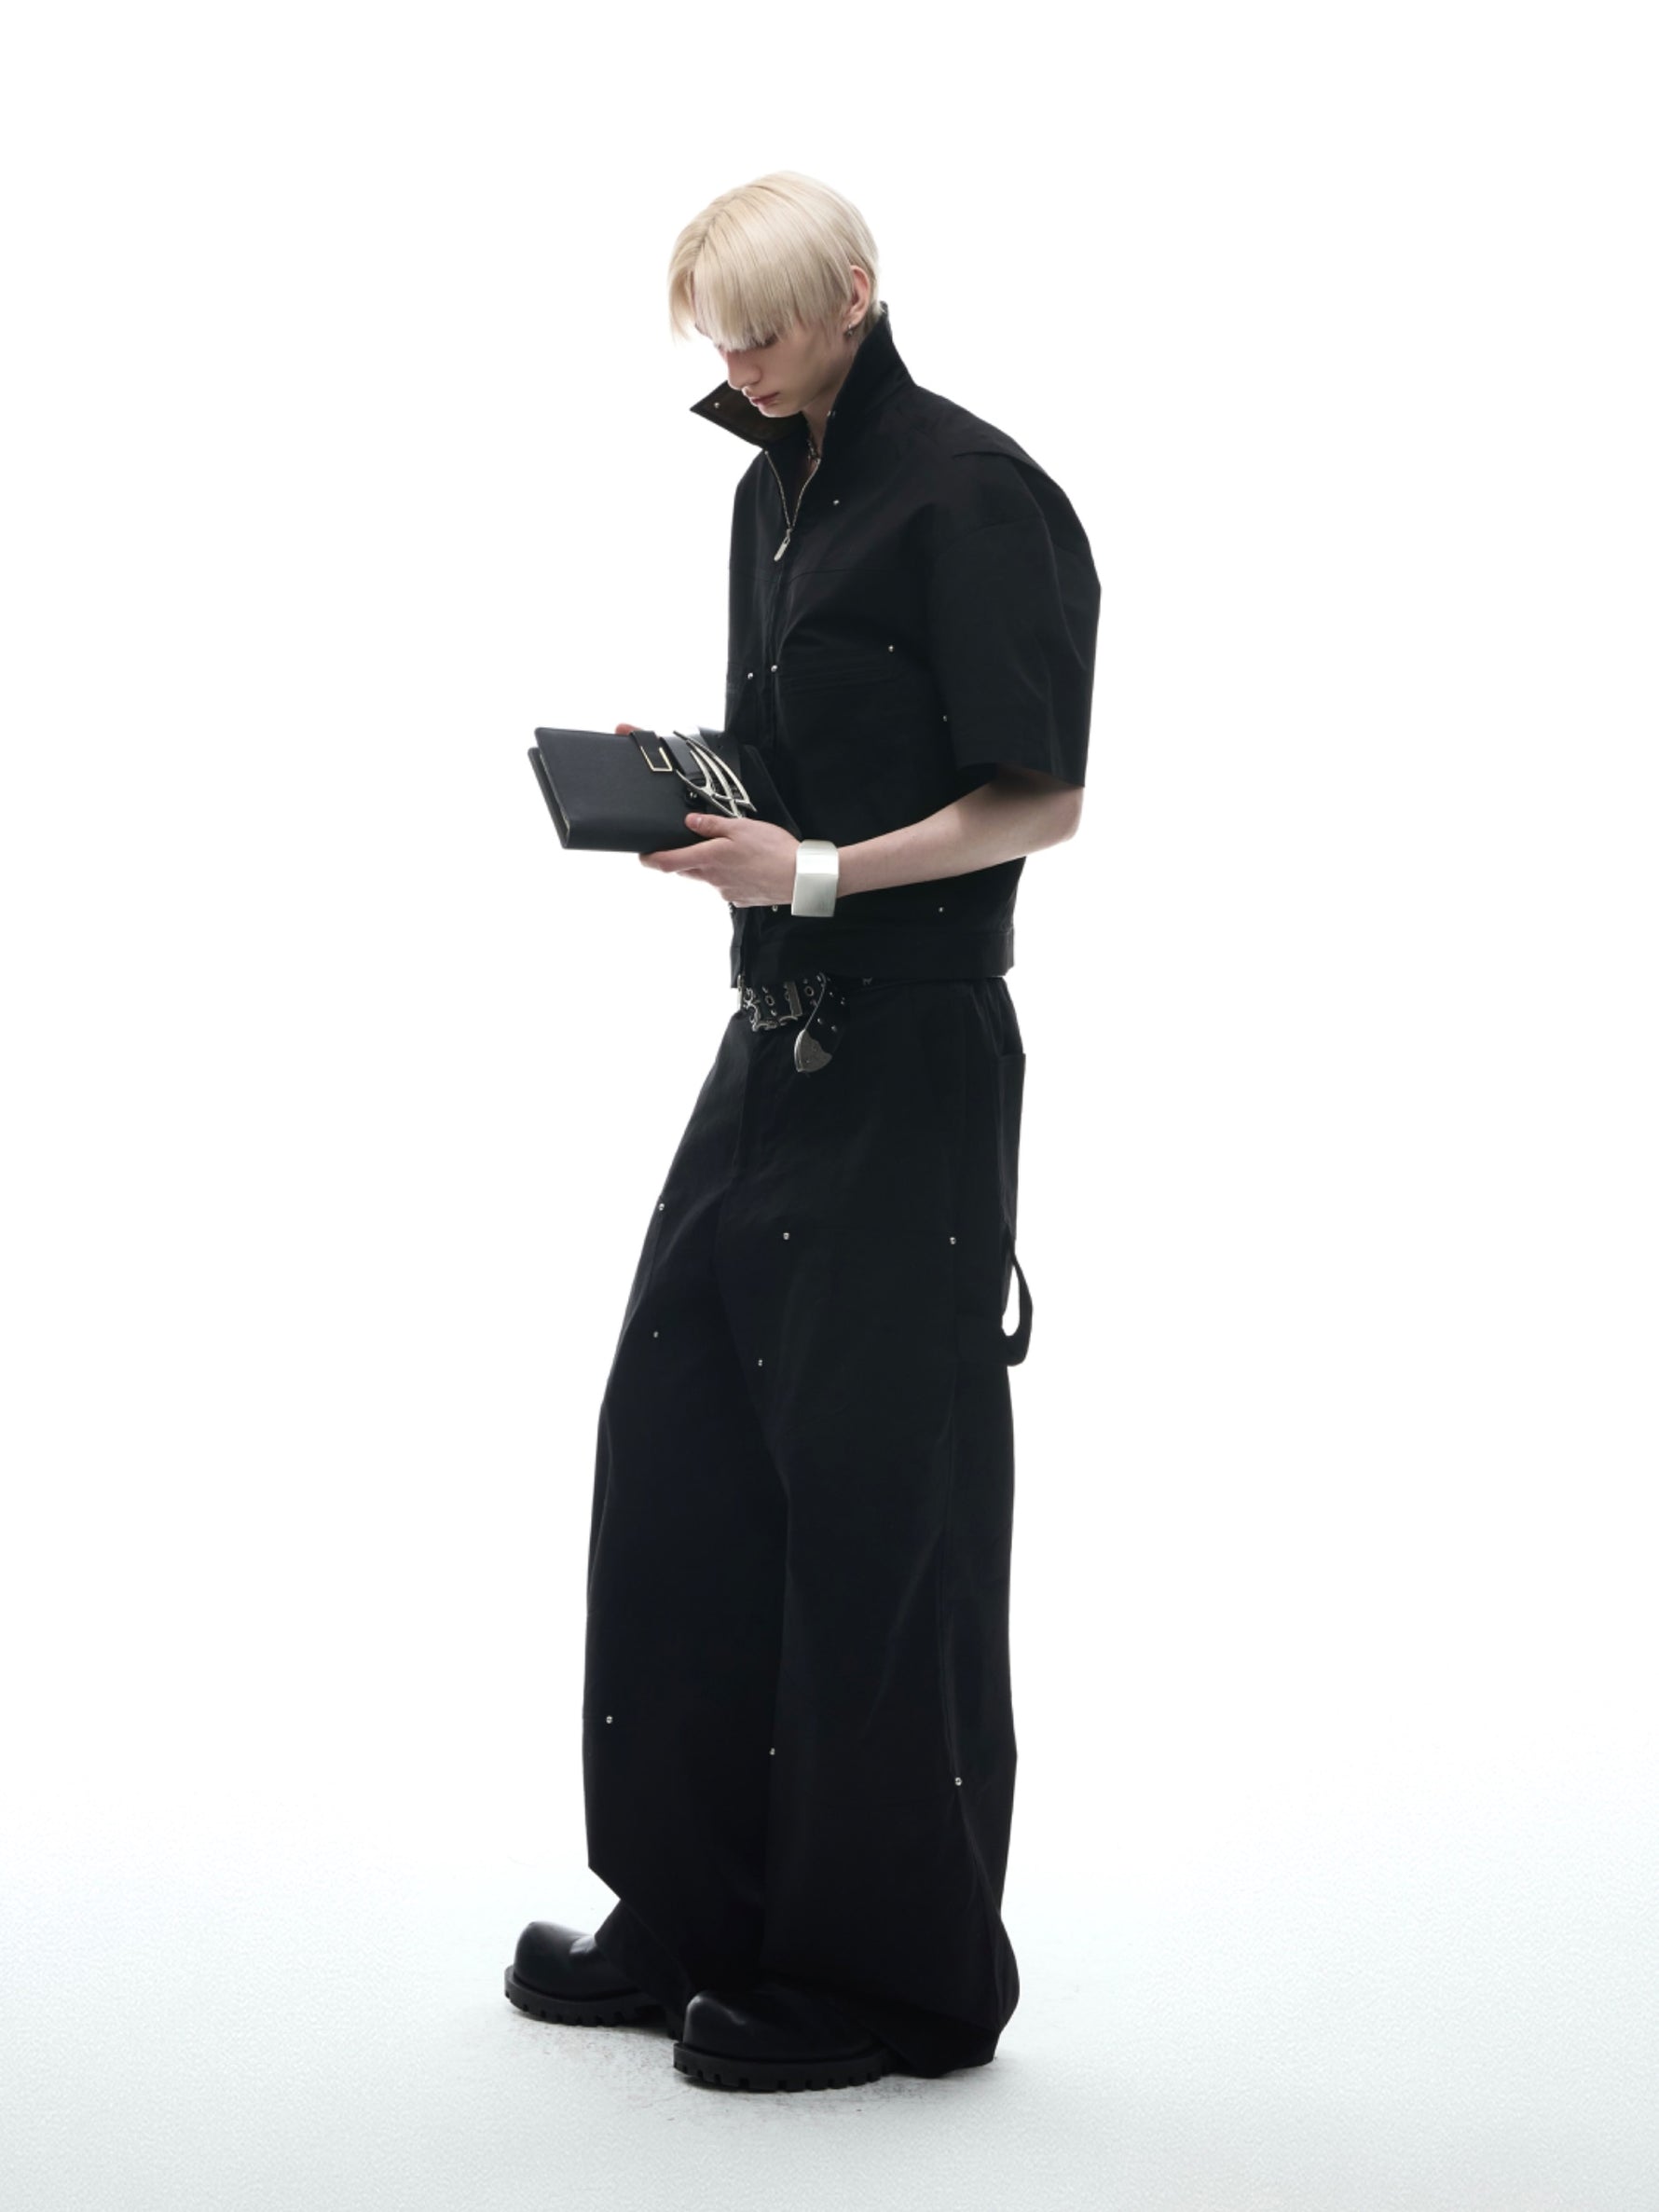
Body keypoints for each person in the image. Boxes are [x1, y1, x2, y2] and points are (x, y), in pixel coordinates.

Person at [505, 171, 1100, 2093]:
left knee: (874, 1511)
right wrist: (697, 788)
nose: (740, 366)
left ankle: (886, 1982)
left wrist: (817, 871)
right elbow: (805, 757)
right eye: (716, 339)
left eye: (764, 330)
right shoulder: (770, 491)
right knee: (676, 1451)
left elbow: (1040, 797)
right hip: (769, 1044)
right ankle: (698, 1913)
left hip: (913, 1057)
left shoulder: (975, 495)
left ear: (855, 290)